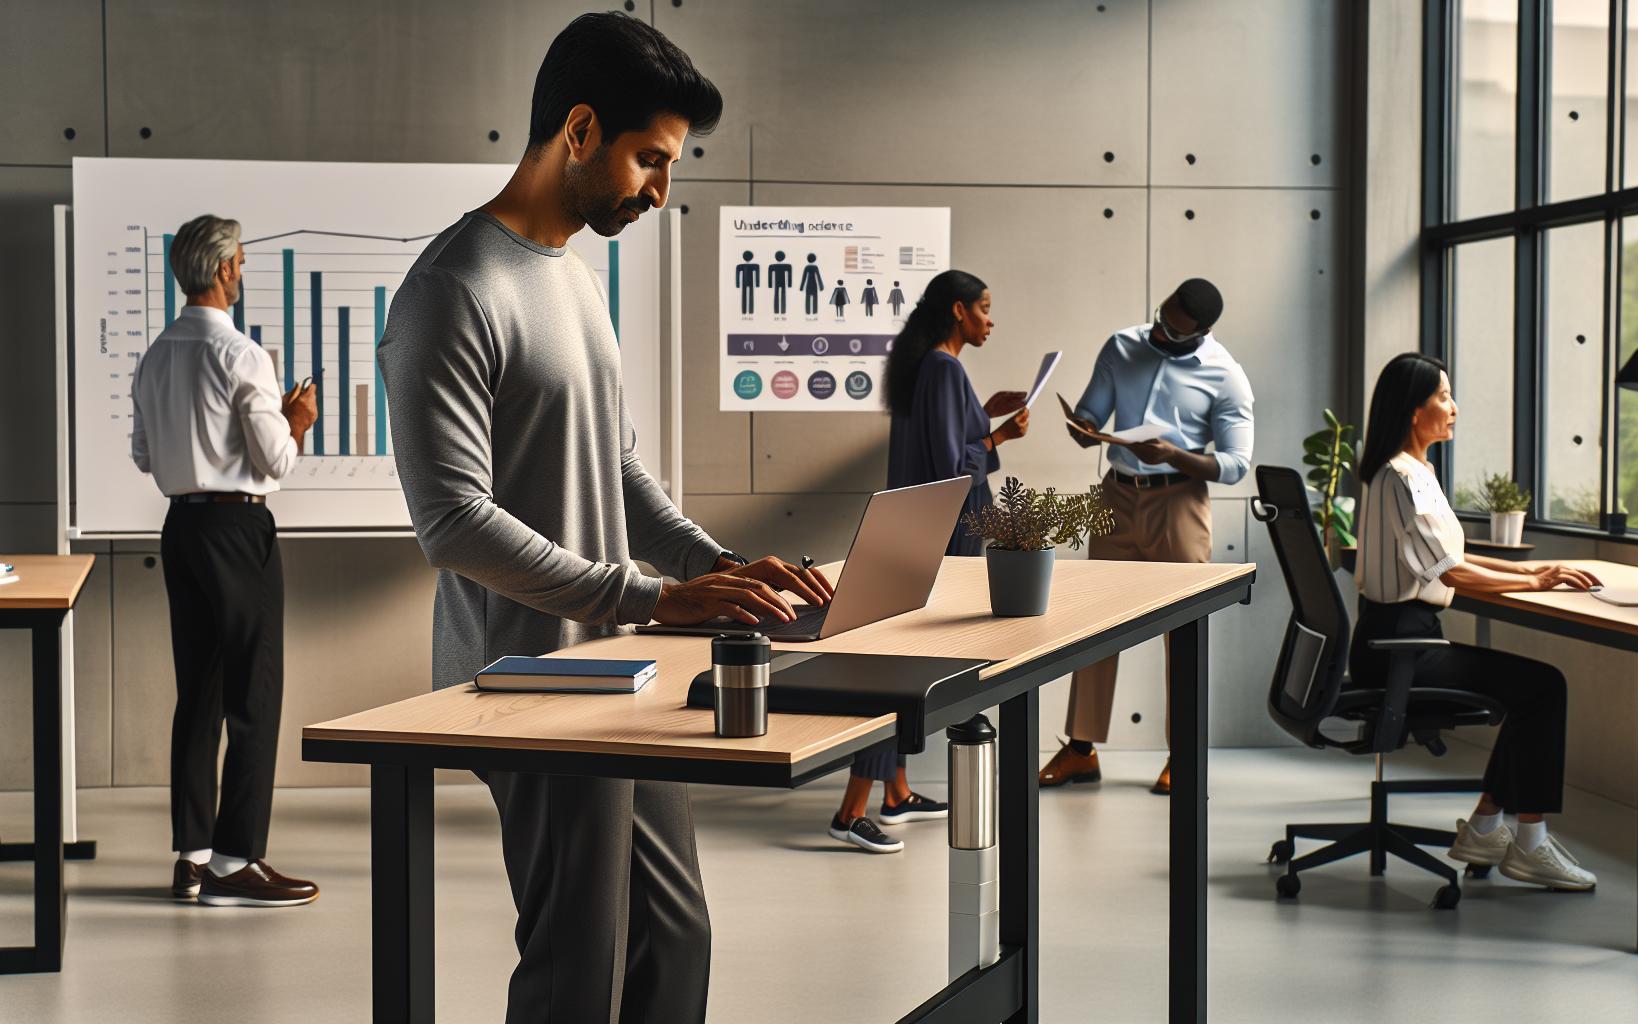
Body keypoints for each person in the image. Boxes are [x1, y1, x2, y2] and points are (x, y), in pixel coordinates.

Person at [378, 15, 832, 1021]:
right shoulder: (450, 292)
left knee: (673, 937)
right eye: (650, 160)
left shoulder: (577, 280)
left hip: (617, 665)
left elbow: (617, 469)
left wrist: (718, 568)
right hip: (525, 680)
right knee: (577, 967)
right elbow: (451, 519)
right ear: (579, 130)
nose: (660, 191)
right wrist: (655, 598)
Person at [1350, 353, 1599, 891]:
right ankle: (1528, 843)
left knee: (1530, 689)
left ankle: (1487, 828)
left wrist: (1534, 570)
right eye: (1443, 396)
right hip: (1399, 649)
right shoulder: (1403, 478)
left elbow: (1452, 557)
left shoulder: (1407, 472)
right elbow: (1452, 571)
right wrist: (1536, 583)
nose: (1454, 407)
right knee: (1541, 687)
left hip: (1398, 639)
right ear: (1413, 411)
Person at [130, 214, 321, 907]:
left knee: (199, 695)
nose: (242, 270)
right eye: (239, 261)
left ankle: (193, 857)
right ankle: (236, 863)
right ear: (222, 270)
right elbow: (275, 460)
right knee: (253, 694)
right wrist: (297, 421)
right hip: (238, 530)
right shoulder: (242, 355)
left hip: (180, 528)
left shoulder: (155, 355)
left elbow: (145, 456)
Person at [818, 270, 1029, 854]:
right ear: (959, 310)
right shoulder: (943, 368)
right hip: (942, 533)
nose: (990, 320)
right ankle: (849, 811)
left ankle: (896, 792)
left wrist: (983, 414)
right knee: (901, 670)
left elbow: (942, 445)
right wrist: (999, 438)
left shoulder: (930, 368)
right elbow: (950, 467)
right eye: (984, 308)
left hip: (923, 529)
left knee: (906, 663)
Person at [1040, 278, 1251, 796]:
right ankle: (1081, 750)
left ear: (1200, 332)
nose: (1159, 333)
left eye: (1173, 332)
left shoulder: (1226, 376)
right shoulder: (1122, 345)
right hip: (1117, 496)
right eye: (1160, 318)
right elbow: (1091, 411)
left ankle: (1183, 755)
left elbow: (1235, 464)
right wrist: (1083, 426)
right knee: (1094, 625)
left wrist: (1175, 454)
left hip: (1179, 504)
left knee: (1182, 631)